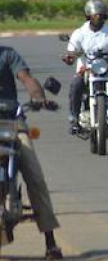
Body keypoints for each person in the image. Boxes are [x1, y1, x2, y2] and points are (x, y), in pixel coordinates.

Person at [0, 46, 63, 259]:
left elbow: (26, 78)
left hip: (12, 122)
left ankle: (50, 242)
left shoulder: (7, 54)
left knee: (35, 177)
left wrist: (38, 96)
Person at [63, 0, 108, 139]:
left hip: (107, 69)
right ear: (88, 16)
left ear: (105, 16)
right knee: (76, 85)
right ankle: (74, 120)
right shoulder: (79, 33)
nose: (98, 17)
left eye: (101, 15)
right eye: (95, 15)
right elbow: (71, 53)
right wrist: (70, 57)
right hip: (85, 69)